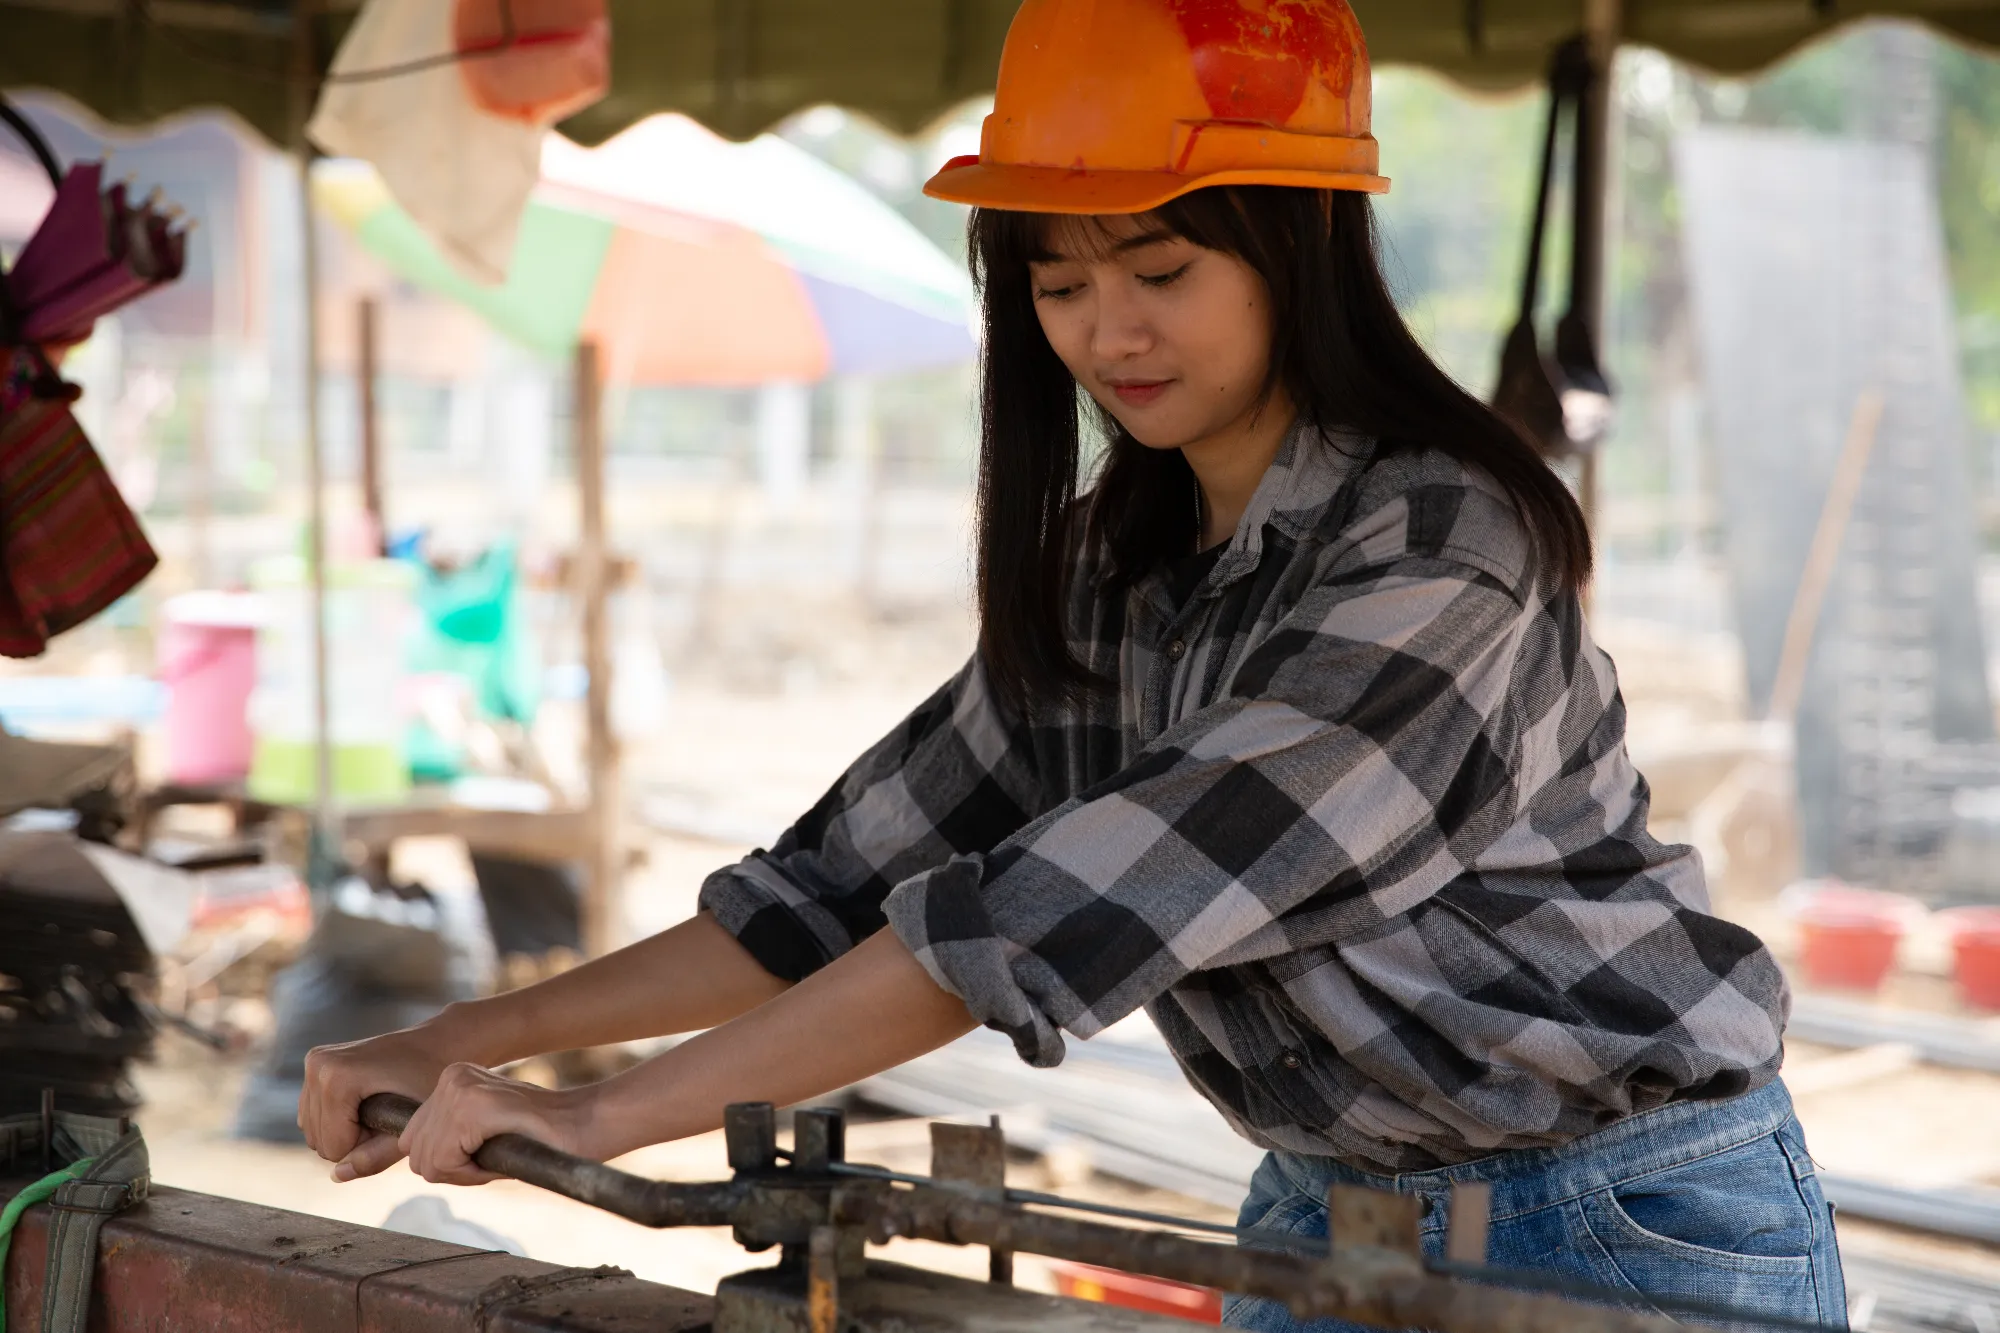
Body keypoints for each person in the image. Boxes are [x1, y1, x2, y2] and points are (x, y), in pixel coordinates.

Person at [298, 1, 1845, 1328]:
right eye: (1059, 282)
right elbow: (831, 889)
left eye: (1160, 270)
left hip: (1626, 1227)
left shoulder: (1445, 549)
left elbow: (1060, 914)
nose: (1109, 334)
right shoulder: (1120, 565)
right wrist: (460, 1036)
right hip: (1332, 1213)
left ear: (1297, 243)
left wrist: (605, 1116)